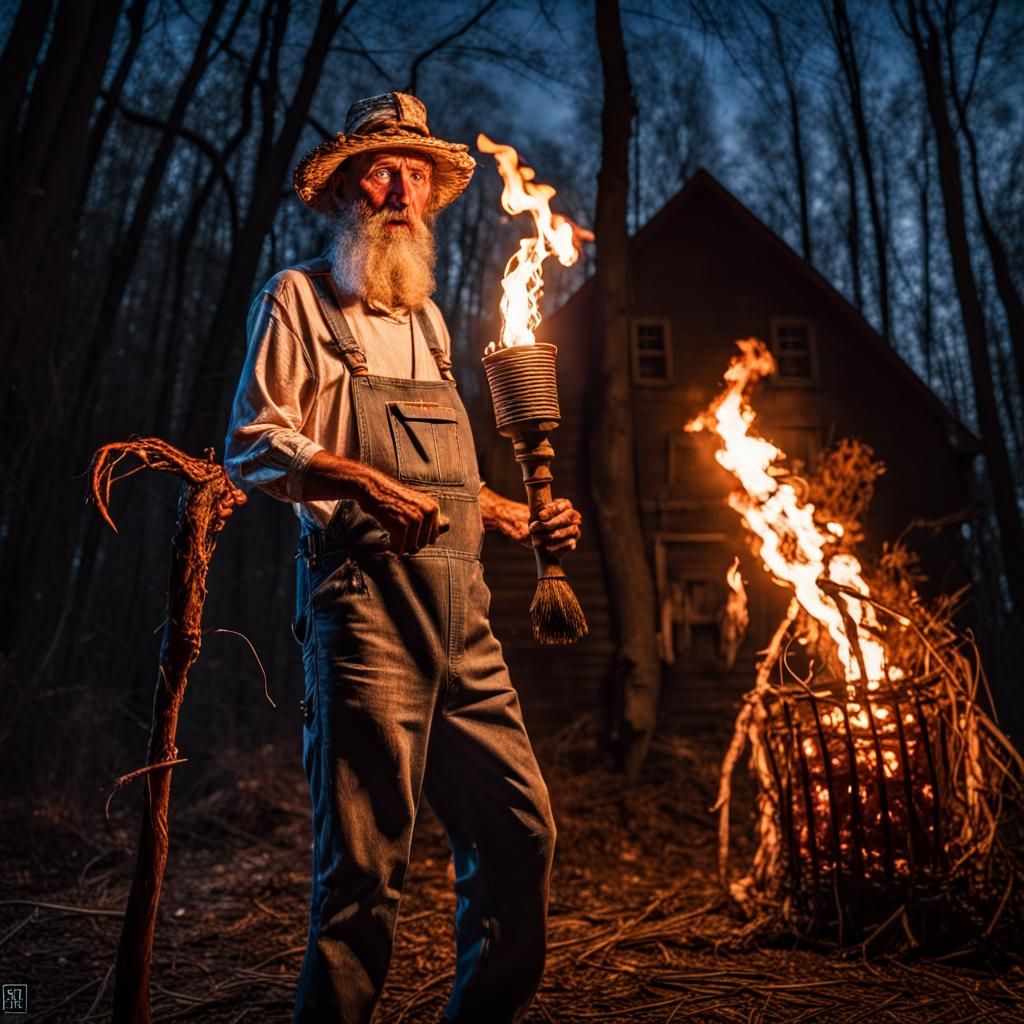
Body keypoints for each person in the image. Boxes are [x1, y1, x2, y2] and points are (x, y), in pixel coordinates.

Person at [224, 92, 582, 1024]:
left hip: (464, 624)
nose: (399, 189)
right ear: (346, 188)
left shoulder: (427, 326)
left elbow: (450, 489)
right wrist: (366, 484)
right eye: (380, 171)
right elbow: (254, 444)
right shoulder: (299, 299)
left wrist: (515, 517)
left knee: (519, 833)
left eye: (415, 174)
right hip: (365, 613)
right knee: (364, 881)